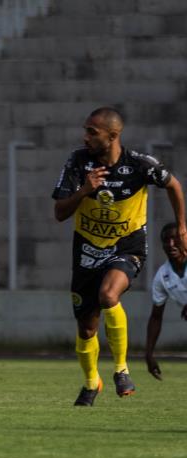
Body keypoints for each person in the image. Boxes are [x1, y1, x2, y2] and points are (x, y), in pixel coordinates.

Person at [52, 106, 187, 407]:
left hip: (126, 246)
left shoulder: (139, 164)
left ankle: (121, 369)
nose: (85, 136)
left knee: (108, 295)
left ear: (112, 136)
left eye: (92, 131)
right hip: (86, 250)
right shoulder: (77, 162)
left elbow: (173, 184)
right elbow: (60, 213)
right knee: (87, 327)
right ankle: (91, 383)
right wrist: (84, 190)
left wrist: (181, 226)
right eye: (85, 130)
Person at [145, 222, 187, 380]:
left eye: (175, 239)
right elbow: (156, 316)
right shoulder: (162, 276)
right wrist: (149, 353)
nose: (171, 244)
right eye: (166, 240)